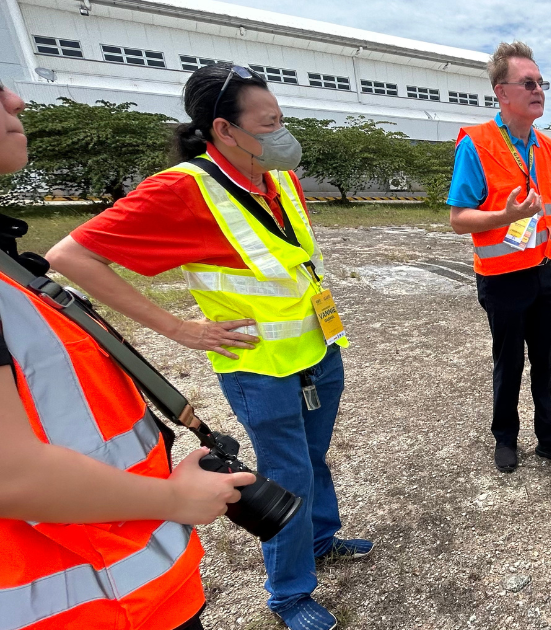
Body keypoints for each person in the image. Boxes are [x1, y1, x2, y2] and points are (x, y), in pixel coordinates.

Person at [45, 65, 369, 630]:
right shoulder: (185, 188)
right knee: (287, 471)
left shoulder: (277, 177)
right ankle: (290, 595)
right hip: (258, 365)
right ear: (224, 129)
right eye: (268, 124)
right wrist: (180, 329)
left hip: (317, 349)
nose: (281, 133)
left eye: (282, 120)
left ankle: (320, 540)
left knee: (313, 458)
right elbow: (71, 257)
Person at [0, 80, 255, 630]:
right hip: (80, 603)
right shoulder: (188, 185)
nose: (16, 100)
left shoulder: (10, 271)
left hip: (138, 587)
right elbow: (10, 476)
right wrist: (173, 501)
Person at [447, 42, 551, 473]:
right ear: (502, 92)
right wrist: (506, 215)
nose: (538, 89)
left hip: (543, 272)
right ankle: (505, 437)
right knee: (509, 362)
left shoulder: (547, 147)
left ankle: (548, 437)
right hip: (502, 277)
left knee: (545, 359)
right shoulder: (477, 144)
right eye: (528, 83)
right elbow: (458, 219)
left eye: (541, 83)